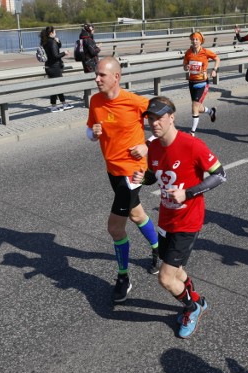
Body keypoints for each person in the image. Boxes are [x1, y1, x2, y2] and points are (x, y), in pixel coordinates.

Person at [133, 96, 226, 338]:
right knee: (177, 269)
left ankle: (192, 308)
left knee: (165, 278)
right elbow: (154, 175)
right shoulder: (153, 147)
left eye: (159, 118)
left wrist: (188, 193)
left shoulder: (191, 144)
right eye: (150, 119)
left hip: (188, 220)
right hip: (166, 218)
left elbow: (220, 175)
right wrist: (141, 179)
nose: (154, 123)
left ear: (172, 117)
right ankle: (197, 300)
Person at [86, 56, 160, 303]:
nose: (96, 79)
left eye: (101, 75)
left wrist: (147, 144)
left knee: (114, 227)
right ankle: (159, 248)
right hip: (113, 170)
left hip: (134, 171)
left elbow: (165, 121)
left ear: (116, 77)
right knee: (137, 215)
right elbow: (89, 131)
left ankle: (123, 277)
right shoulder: (95, 101)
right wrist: (93, 133)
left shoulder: (135, 102)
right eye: (96, 75)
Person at [183, 32, 220, 136]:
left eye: (196, 39)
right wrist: (186, 67)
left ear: (200, 41)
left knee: (194, 106)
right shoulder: (188, 52)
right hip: (192, 82)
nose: (194, 41)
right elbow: (184, 65)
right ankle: (211, 112)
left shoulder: (205, 52)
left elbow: (217, 58)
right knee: (197, 107)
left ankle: (192, 132)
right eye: (193, 39)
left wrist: (214, 70)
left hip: (202, 83)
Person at [39, 27, 73, 113]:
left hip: (48, 67)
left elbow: (57, 47)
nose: (56, 33)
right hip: (54, 67)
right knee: (57, 86)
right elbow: (55, 56)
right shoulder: (52, 42)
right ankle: (56, 105)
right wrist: (64, 53)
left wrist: (58, 41)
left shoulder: (45, 42)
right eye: (55, 32)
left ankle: (60, 104)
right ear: (51, 33)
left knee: (55, 86)